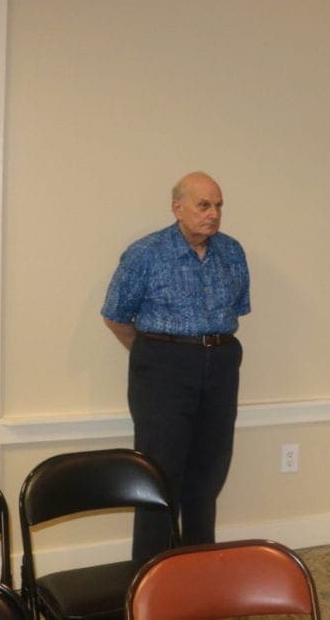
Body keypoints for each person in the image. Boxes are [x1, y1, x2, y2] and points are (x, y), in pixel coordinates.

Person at [102, 172, 250, 560]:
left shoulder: (232, 252)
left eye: (218, 205)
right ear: (177, 207)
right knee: (158, 477)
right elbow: (116, 315)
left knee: (209, 474)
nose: (213, 214)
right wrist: (157, 356)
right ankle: (151, 578)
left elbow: (238, 309)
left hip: (220, 362)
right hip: (163, 366)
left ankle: (199, 570)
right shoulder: (146, 253)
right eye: (204, 205)